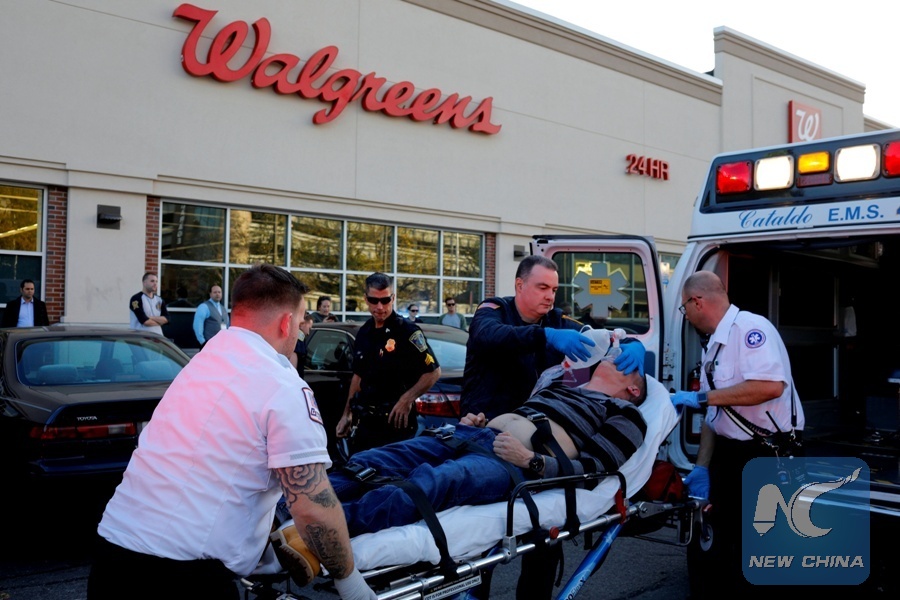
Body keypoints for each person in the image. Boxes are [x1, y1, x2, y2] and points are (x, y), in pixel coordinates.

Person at [88, 264, 375, 600]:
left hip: (112, 559)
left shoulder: (201, 364)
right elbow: (312, 507)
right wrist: (350, 582)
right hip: (183, 577)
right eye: (300, 324)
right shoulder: (281, 385)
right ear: (286, 323)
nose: (299, 334)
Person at [459, 255, 647, 599]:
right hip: (485, 433)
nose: (550, 296)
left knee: (543, 549)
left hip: (531, 446)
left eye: (555, 289)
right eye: (542, 287)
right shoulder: (494, 311)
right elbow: (489, 336)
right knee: (477, 553)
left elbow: (605, 338)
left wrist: (634, 344)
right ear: (519, 285)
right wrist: (544, 336)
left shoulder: (558, 321)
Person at [670, 270, 804, 598]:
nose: (685, 315)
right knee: (718, 542)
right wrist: (702, 466)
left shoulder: (750, 330)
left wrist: (703, 397)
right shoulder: (714, 345)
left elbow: (770, 387)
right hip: (729, 454)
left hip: (765, 454)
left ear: (697, 302)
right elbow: (715, 415)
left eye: (684, 308)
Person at [336, 272, 441, 453]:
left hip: (396, 423)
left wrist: (406, 399)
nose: (379, 307)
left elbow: (433, 372)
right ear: (366, 299)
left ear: (393, 298)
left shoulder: (407, 331)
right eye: (374, 300)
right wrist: (347, 414)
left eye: (385, 300)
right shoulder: (364, 332)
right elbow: (358, 376)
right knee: (359, 466)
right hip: (366, 422)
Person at [192, 284, 229, 349]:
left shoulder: (223, 309)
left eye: (219, 292)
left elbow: (228, 325)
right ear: (210, 294)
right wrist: (202, 342)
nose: (217, 294)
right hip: (208, 345)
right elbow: (198, 325)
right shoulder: (204, 307)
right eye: (215, 292)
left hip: (222, 345)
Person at [290, 312, 314, 379]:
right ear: (302, 324)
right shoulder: (298, 342)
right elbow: (292, 367)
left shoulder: (299, 340)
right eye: (309, 328)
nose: (308, 333)